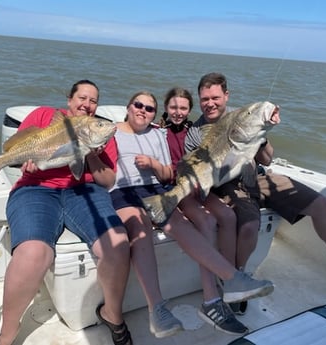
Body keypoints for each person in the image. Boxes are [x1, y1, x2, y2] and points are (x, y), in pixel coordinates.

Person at [185, 72, 326, 313]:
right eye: (204, 99)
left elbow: (267, 159)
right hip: (228, 185)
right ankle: (238, 279)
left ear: (226, 95)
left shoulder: (244, 117)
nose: (210, 103)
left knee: (322, 204)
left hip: (259, 176)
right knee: (249, 226)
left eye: (215, 97)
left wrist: (262, 131)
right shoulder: (196, 132)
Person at [109, 91, 274, 338]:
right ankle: (157, 309)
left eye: (149, 108)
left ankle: (227, 284)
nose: (143, 110)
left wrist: (155, 166)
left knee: (192, 222)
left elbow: (168, 174)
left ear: (156, 113)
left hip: (157, 188)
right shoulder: (109, 132)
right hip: (123, 191)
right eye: (138, 105)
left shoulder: (158, 133)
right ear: (128, 106)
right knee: (141, 229)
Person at [0, 80, 133, 345]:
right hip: (36, 189)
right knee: (34, 252)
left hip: (84, 192)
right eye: (82, 98)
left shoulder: (98, 130)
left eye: (93, 101)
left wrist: (92, 153)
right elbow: (15, 149)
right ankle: (6, 335)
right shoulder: (44, 116)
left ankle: (112, 315)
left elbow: (107, 182)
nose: (87, 104)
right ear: (70, 100)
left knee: (117, 245)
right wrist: (26, 159)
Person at [159, 87, 249, 335]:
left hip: (198, 184)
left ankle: (231, 283)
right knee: (208, 222)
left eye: (184, 108)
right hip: (175, 187)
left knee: (229, 216)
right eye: (173, 107)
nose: (178, 112)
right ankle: (211, 300)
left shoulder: (194, 133)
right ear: (165, 107)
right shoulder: (157, 132)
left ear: (190, 111)